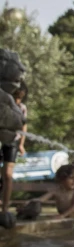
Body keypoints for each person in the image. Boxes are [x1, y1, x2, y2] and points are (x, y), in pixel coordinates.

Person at [1, 84, 27, 217]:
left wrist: (21, 144)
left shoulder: (22, 108)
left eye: (19, 98)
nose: (17, 101)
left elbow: (24, 126)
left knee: (7, 175)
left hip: (12, 141)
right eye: (15, 97)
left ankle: (5, 208)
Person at [37, 164, 74, 231]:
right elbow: (42, 199)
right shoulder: (56, 190)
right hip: (64, 221)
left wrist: (63, 215)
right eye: (71, 178)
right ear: (62, 179)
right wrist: (30, 202)